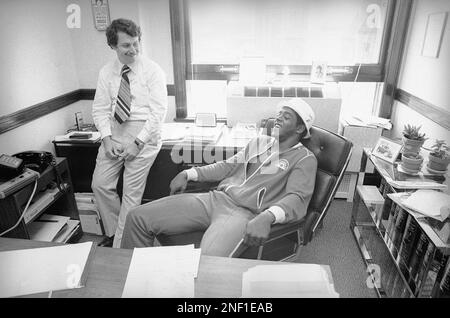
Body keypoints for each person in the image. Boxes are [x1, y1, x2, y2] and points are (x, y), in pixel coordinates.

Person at [121, 98, 317, 257]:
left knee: (207, 262)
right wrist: (189, 173)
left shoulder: (303, 159)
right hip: (216, 199)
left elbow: (297, 198)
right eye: (279, 114)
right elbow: (227, 166)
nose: (278, 119)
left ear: (300, 129)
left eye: (287, 117)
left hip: (244, 213)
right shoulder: (263, 143)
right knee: (137, 218)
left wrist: (268, 215)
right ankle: (134, 283)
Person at [91, 18, 168, 248]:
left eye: (136, 43)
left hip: (144, 133)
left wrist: (138, 143)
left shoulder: (153, 71)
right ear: (113, 46)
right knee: (100, 185)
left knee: (130, 196)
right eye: (126, 45)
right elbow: (100, 108)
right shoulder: (106, 72)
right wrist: (106, 139)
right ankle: (118, 234)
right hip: (115, 131)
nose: (133, 50)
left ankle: (121, 250)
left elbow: (158, 113)